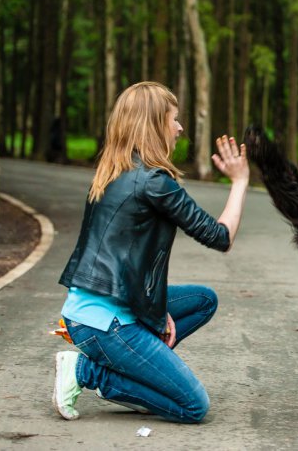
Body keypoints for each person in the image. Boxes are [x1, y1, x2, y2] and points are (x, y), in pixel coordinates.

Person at [52, 81, 249, 423]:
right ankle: (87, 371)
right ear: (155, 124)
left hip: (89, 310)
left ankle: (138, 375)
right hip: (104, 323)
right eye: (174, 119)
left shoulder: (112, 172)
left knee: (203, 301)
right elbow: (220, 237)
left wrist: (154, 313)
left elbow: (127, 262)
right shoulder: (154, 183)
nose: (179, 127)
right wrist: (240, 181)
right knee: (193, 406)